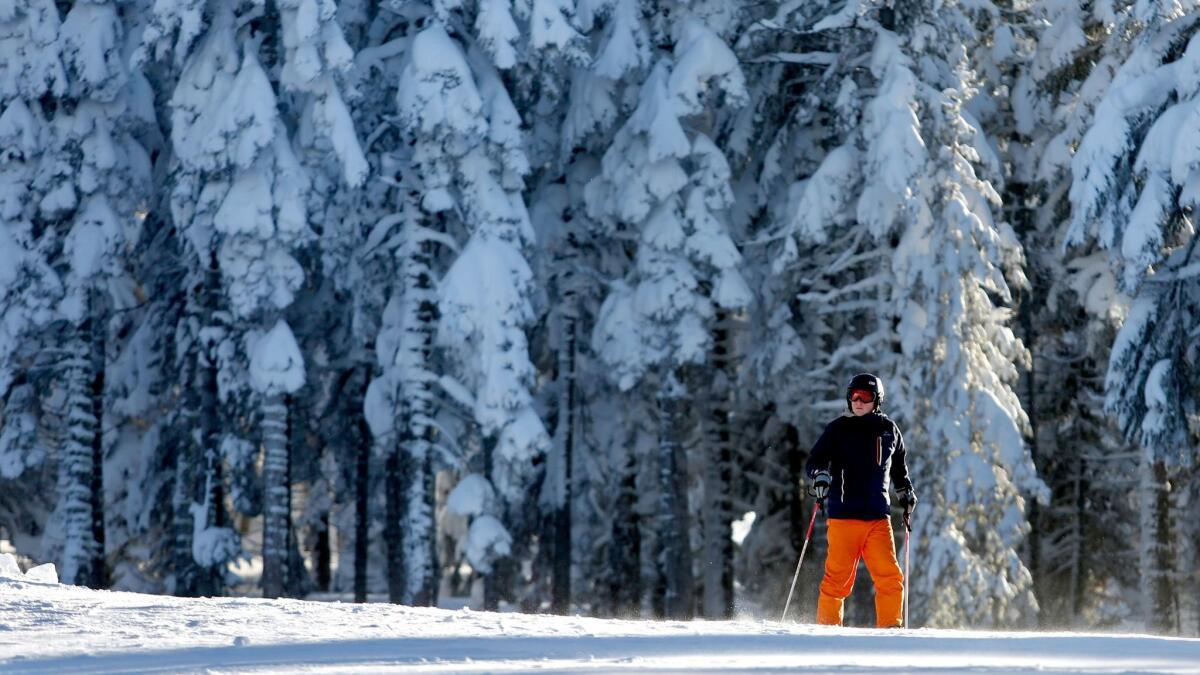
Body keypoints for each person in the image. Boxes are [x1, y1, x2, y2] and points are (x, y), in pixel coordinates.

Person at [805, 373, 916, 628]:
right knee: (837, 580)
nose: (857, 401)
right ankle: (827, 630)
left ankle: (890, 628)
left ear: (877, 400)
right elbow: (814, 461)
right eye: (853, 395)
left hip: (878, 518)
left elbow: (899, 469)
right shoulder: (838, 429)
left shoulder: (889, 430)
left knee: (890, 577)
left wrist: (905, 491)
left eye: (864, 396)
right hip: (844, 517)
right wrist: (820, 475)